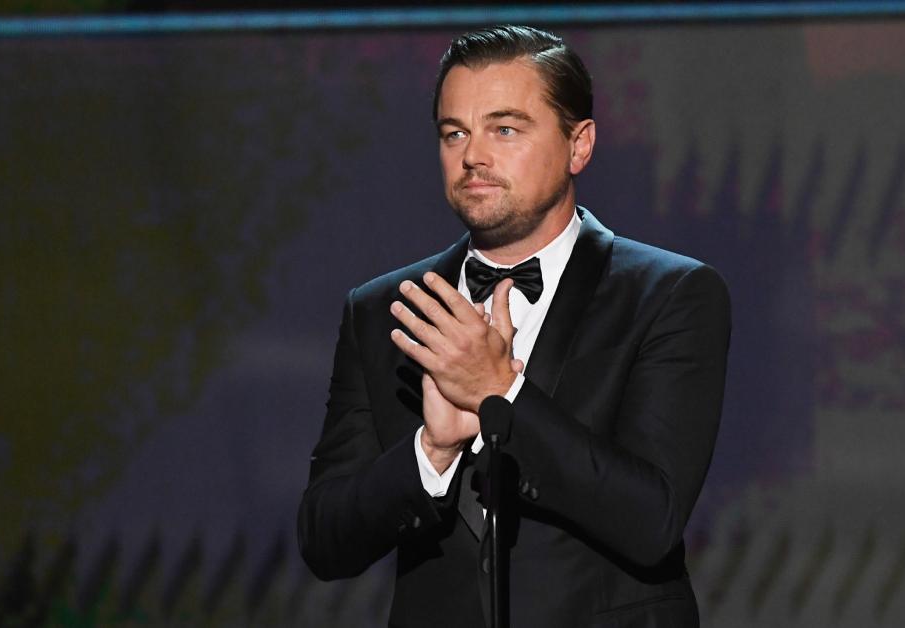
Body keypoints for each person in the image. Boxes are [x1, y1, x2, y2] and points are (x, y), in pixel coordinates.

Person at [298, 25, 731, 628]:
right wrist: (432, 452)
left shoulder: (670, 294)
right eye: (455, 133)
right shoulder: (384, 309)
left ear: (579, 145)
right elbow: (325, 539)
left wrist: (503, 396)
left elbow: (651, 520)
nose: (473, 155)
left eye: (505, 129)